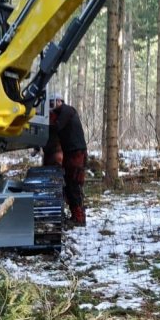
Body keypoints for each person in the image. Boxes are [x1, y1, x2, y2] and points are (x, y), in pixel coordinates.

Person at [46, 94, 88, 226]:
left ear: (59, 101)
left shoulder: (67, 111)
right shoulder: (60, 113)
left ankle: (79, 218)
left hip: (77, 152)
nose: (50, 107)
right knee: (69, 185)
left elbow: (56, 126)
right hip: (70, 152)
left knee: (74, 184)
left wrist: (44, 123)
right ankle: (76, 215)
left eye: (52, 103)